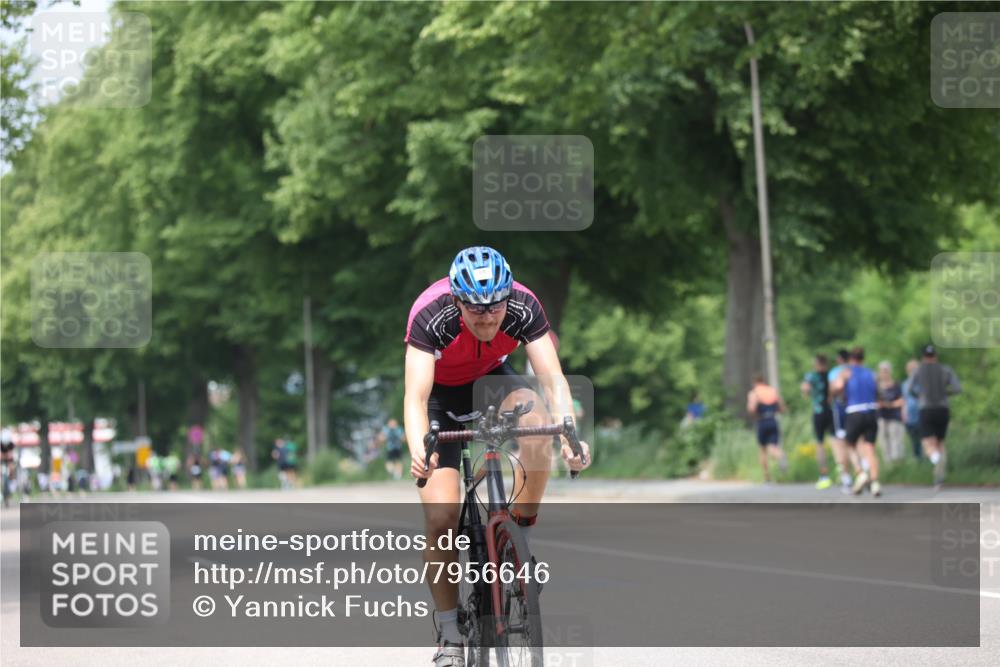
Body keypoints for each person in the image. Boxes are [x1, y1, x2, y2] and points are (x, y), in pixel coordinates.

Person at [404, 246, 591, 666]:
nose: (487, 318)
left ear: (508, 296)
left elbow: (552, 378)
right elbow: (414, 397)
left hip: (492, 381)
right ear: (456, 301)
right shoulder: (430, 314)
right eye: (475, 310)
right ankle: (450, 633)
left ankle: (519, 534)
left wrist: (569, 432)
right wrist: (421, 449)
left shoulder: (524, 305)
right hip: (438, 399)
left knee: (538, 424)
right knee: (440, 519)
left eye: (495, 308)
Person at [831, 347, 882, 497]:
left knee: (849, 444)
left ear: (851, 359)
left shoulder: (847, 372)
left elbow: (837, 387)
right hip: (871, 411)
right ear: (863, 358)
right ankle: (875, 482)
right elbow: (878, 392)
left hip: (854, 411)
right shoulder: (870, 373)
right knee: (870, 448)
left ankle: (860, 472)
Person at [909, 344, 962, 489]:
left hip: (926, 408)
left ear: (923, 356)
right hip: (943, 409)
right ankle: (939, 478)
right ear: (936, 356)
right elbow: (957, 388)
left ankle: (935, 459)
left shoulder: (918, 370)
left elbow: (910, 389)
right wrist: (946, 394)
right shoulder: (946, 369)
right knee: (940, 443)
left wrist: (918, 396)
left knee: (927, 443)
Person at [828, 349, 860, 493]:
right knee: (857, 442)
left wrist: (830, 397)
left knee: (841, 444)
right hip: (856, 409)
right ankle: (862, 472)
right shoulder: (857, 370)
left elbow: (835, 388)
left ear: (839, 359)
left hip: (840, 409)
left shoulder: (836, 372)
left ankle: (846, 478)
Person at [747, 375, 788, 483]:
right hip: (773, 420)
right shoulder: (772, 391)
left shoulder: (754, 392)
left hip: (762, 421)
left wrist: (755, 415)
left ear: (754, 383)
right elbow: (782, 407)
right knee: (773, 446)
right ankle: (781, 456)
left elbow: (751, 408)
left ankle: (767, 477)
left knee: (763, 450)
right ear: (764, 381)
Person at [800, 354, 833, 489]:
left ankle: (824, 476)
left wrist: (806, 394)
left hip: (819, 411)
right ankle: (846, 474)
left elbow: (805, 389)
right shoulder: (832, 375)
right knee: (838, 441)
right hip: (832, 411)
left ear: (817, 364)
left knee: (820, 444)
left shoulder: (811, 376)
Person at [876, 361, 905, 463]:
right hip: (881, 416)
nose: (884, 373)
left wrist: (890, 405)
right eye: (883, 371)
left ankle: (897, 461)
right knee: (883, 439)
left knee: (895, 437)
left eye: (886, 370)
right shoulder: (877, 385)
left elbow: (902, 400)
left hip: (894, 415)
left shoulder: (896, 384)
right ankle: (888, 463)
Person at [900, 359, 922, 458]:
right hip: (910, 417)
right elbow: (904, 400)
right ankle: (918, 461)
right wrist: (903, 414)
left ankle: (929, 460)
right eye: (911, 369)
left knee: (926, 439)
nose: (913, 370)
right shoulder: (904, 384)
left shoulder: (923, 383)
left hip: (922, 415)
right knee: (914, 441)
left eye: (915, 368)